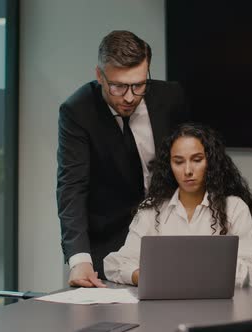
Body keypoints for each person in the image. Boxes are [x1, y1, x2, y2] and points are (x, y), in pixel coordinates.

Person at [57, 30, 190, 288]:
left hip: (168, 237)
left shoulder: (171, 97)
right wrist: (79, 258)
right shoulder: (77, 111)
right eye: (118, 86)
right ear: (99, 76)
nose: (129, 97)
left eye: (139, 85)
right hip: (109, 246)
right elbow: (72, 186)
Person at [104, 123, 252, 287]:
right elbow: (115, 264)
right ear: (169, 166)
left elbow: (250, 272)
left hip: (218, 307)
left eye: (197, 160)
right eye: (178, 162)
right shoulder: (152, 209)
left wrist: (192, 274)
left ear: (211, 162)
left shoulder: (234, 208)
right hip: (162, 307)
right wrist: (143, 277)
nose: (187, 170)